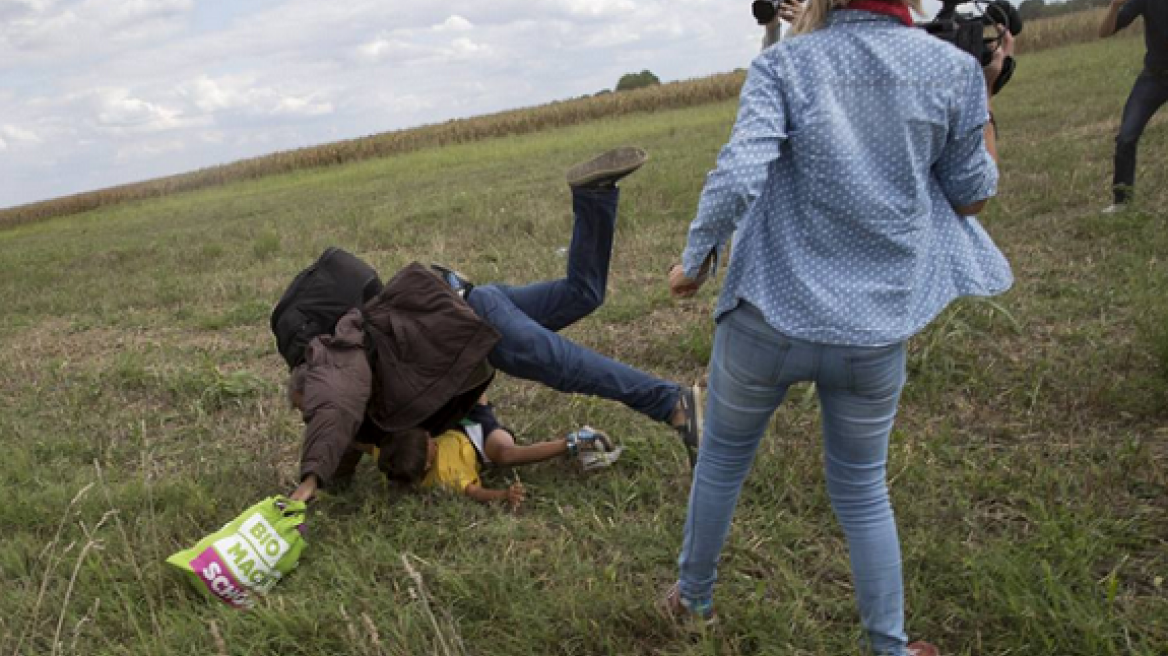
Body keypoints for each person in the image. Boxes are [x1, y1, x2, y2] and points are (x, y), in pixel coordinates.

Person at [663, 0, 1015, 654]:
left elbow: (739, 174)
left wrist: (695, 259)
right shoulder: (952, 69)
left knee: (722, 462)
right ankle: (890, 644)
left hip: (768, 316)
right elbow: (972, 195)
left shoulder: (784, 64)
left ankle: (695, 598)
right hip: (873, 333)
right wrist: (985, 95)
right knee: (861, 487)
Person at [287, 147, 701, 504]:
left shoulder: (332, 363)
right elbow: (342, 437)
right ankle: (593, 196)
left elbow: (334, 404)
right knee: (582, 294)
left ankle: (671, 403)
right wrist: (330, 481)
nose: (303, 412)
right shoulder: (363, 398)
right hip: (474, 303)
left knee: (558, 363)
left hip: (476, 324)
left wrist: (308, 480)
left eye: (303, 404)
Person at [377, 395, 621, 509]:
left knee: (458, 386)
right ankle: (576, 441)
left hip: (454, 419)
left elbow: (364, 444)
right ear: (427, 465)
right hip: (481, 441)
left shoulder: (389, 454)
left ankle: (474, 349)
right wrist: (503, 494)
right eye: (430, 444)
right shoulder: (444, 477)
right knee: (505, 454)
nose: (432, 439)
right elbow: (475, 492)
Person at [1098, 0, 1168, 213]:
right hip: (1154, 78)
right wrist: (1114, 7)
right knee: (1126, 137)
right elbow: (1104, 32)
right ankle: (1122, 202)